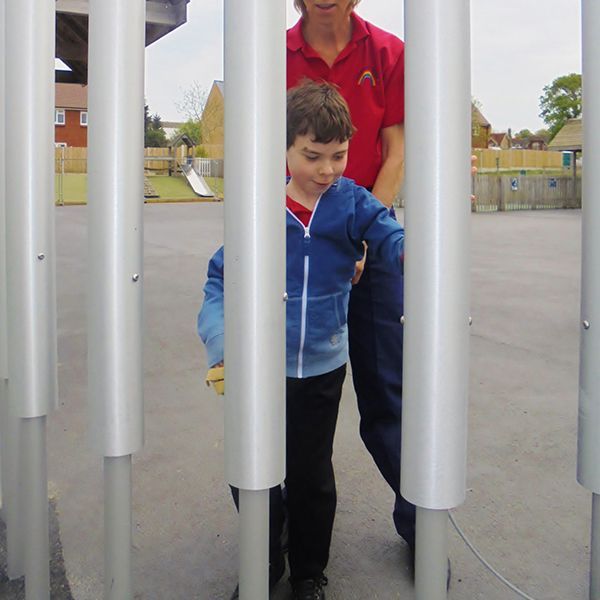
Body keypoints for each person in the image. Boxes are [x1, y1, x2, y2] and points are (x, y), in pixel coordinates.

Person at [198, 81, 405, 600]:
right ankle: (264, 562)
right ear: (284, 149)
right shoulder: (260, 210)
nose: (327, 170)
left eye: (338, 156)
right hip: (259, 367)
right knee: (254, 470)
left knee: (312, 475)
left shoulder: (352, 202)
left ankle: (310, 571)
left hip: (321, 368)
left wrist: (417, 250)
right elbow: (220, 280)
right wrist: (223, 343)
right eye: (312, 156)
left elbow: (388, 235)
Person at [287, 0, 417, 558]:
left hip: (367, 233)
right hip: (298, 247)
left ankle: (420, 522)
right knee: (287, 402)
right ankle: (280, 538)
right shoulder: (275, 56)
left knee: (386, 394)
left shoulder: (388, 53)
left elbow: (397, 149)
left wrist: (363, 231)